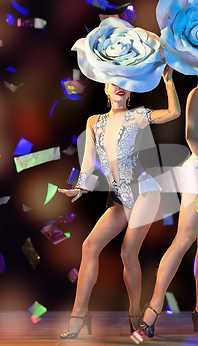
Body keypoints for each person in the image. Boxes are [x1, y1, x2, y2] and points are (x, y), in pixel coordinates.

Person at [58, 65, 180, 339]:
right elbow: (88, 165)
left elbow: (173, 113)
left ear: (131, 91)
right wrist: (79, 189)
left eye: (125, 83)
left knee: (127, 253)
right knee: (89, 246)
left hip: (146, 191)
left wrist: (168, 81)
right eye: (114, 82)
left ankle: (134, 313)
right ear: (105, 87)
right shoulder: (94, 122)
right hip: (121, 197)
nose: (119, 86)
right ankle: (79, 314)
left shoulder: (137, 116)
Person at [140, 67, 198, 337]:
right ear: (197, 70)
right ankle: (155, 306)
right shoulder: (197, 94)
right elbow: (190, 134)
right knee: (184, 239)